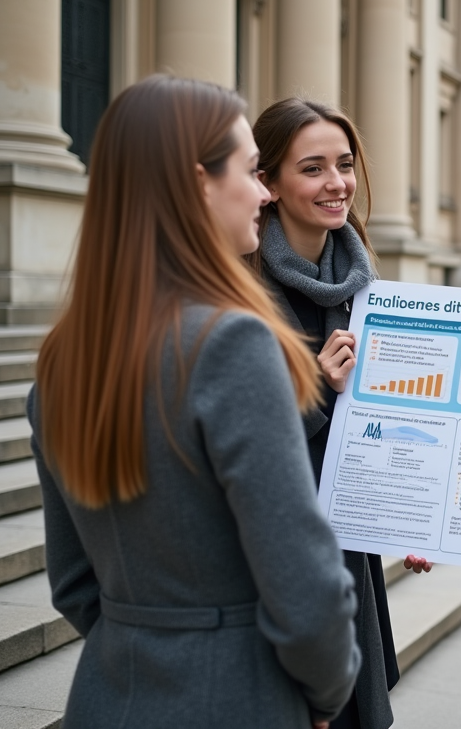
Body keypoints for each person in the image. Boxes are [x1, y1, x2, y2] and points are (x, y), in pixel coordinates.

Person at [31, 75, 361, 728]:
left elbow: (72, 582)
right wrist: (325, 693)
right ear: (198, 184)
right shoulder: (234, 343)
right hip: (236, 698)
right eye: (249, 170)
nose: (263, 192)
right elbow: (304, 586)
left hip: (106, 694)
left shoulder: (65, 355)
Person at [249, 98, 429, 729]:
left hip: (348, 557)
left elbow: (388, 426)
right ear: (268, 183)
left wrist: (417, 513)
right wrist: (317, 388)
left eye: (345, 165)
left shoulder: (367, 289)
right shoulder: (237, 294)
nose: (337, 184)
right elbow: (235, 449)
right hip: (275, 567)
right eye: (313, 168)